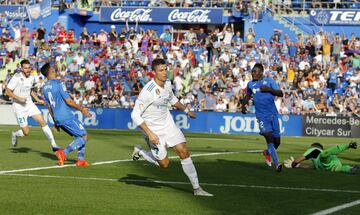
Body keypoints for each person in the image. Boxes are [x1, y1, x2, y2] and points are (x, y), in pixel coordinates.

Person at [131, 58, 213, 196]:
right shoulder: (148, 91)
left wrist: (187, 111)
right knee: (164, 164)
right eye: (161, 71)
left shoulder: (168, 83)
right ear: (154, 73)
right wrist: (150, 134)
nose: (164, 73)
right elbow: (134, 115)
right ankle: (140, 152)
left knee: (183, 151)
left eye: (165, 69)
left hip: (168, 125)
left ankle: (197, 189)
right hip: (153, 130)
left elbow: (173, 100)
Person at [40, 63, 91, 166]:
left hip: (58, 118)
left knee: (79, 136)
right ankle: (64, 153)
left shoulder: (44, 88)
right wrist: (82, 110)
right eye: (52, 68)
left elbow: (49, 107)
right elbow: (68, 101)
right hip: (66, 115)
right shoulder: (59, 83)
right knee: (84, 136)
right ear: (50, 71)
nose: (54, 68)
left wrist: (55, 122)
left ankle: (81, 160)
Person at [6, 60, 59, 151]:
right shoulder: (16, 77)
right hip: (19, 107)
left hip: (29, 104)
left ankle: (54, 145)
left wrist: (38, 100)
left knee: (43, 122)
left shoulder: (32, 77)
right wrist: (19, 98)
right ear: (22, 68)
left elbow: (30, 91)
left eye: (29, 68)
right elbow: (8, 92)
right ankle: (15, 134)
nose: (27, 70)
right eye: (25, 68)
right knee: (26, 132)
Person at [241, 63, 284, 172]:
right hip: (261, 117)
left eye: (255, 71)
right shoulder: (250, 84)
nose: (253, 74)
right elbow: (247, 95)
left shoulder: (270, 81)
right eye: (252, 72)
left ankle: (267, 152)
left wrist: (269, 90)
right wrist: (243, 105)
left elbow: (280, 93)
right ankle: (277, 164)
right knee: (268, 137)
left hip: (273, 114)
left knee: (277, 142)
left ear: (261, 72)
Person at [284, 141, 359, 174]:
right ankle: (350, 169)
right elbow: (310, 167)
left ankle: (348, 145)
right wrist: (298, 166)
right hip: (333, 164)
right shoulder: (316, 162)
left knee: (323, 155)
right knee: (339, 169)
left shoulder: (314, 149)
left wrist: (293, 164)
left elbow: (300, 159)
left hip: (326, 159)